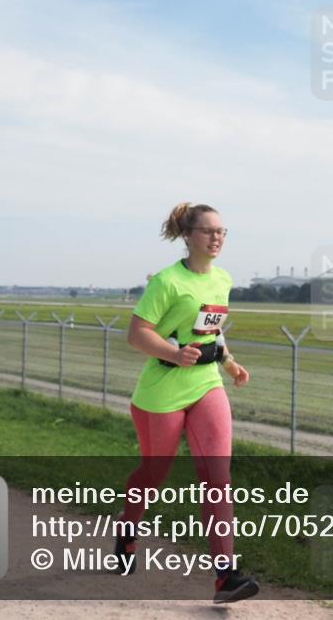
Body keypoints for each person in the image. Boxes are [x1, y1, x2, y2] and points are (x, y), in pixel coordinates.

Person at [114, 202, 259, 604]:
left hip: (206, 384)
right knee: (154, 473)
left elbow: (210, 329)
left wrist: (228, 362)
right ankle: (127, 526)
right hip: (161, 392)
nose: (216, 238)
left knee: (217, 478)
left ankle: (225, 577)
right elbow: (136, 334)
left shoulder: (223, 279)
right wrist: (175, 354)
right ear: (187, 236)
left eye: (221, 231)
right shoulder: (167, 282)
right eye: (208, 231)